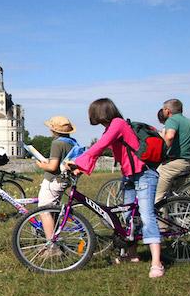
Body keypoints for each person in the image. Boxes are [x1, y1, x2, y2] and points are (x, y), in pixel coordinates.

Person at [68, 98, 164, 278]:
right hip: (129, 175)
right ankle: (133, 255)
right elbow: (98, 151)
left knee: (146, 215)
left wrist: (77, 161)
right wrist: (79, 168)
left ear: (100, 112)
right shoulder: (109, 128)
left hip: (144, 173)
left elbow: (100, 145)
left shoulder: (118, 124)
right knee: (129, 216)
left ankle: (157, 263)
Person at [35, 116, 78, 249]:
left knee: (45, 211)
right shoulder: (71, 142)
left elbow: (53, 167)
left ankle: (52, 246)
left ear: (53, 130)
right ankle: (53, 240)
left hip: (53, 180)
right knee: (52, 210)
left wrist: (41, 165)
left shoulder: (57, 143)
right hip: (64, 180)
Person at [155, 99, 190, 202]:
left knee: (156, 194)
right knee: (176, 194)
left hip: (175, 163)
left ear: (167, 110)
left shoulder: (172, 120)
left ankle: (157, 216)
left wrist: (162, 151)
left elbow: (170, 136)